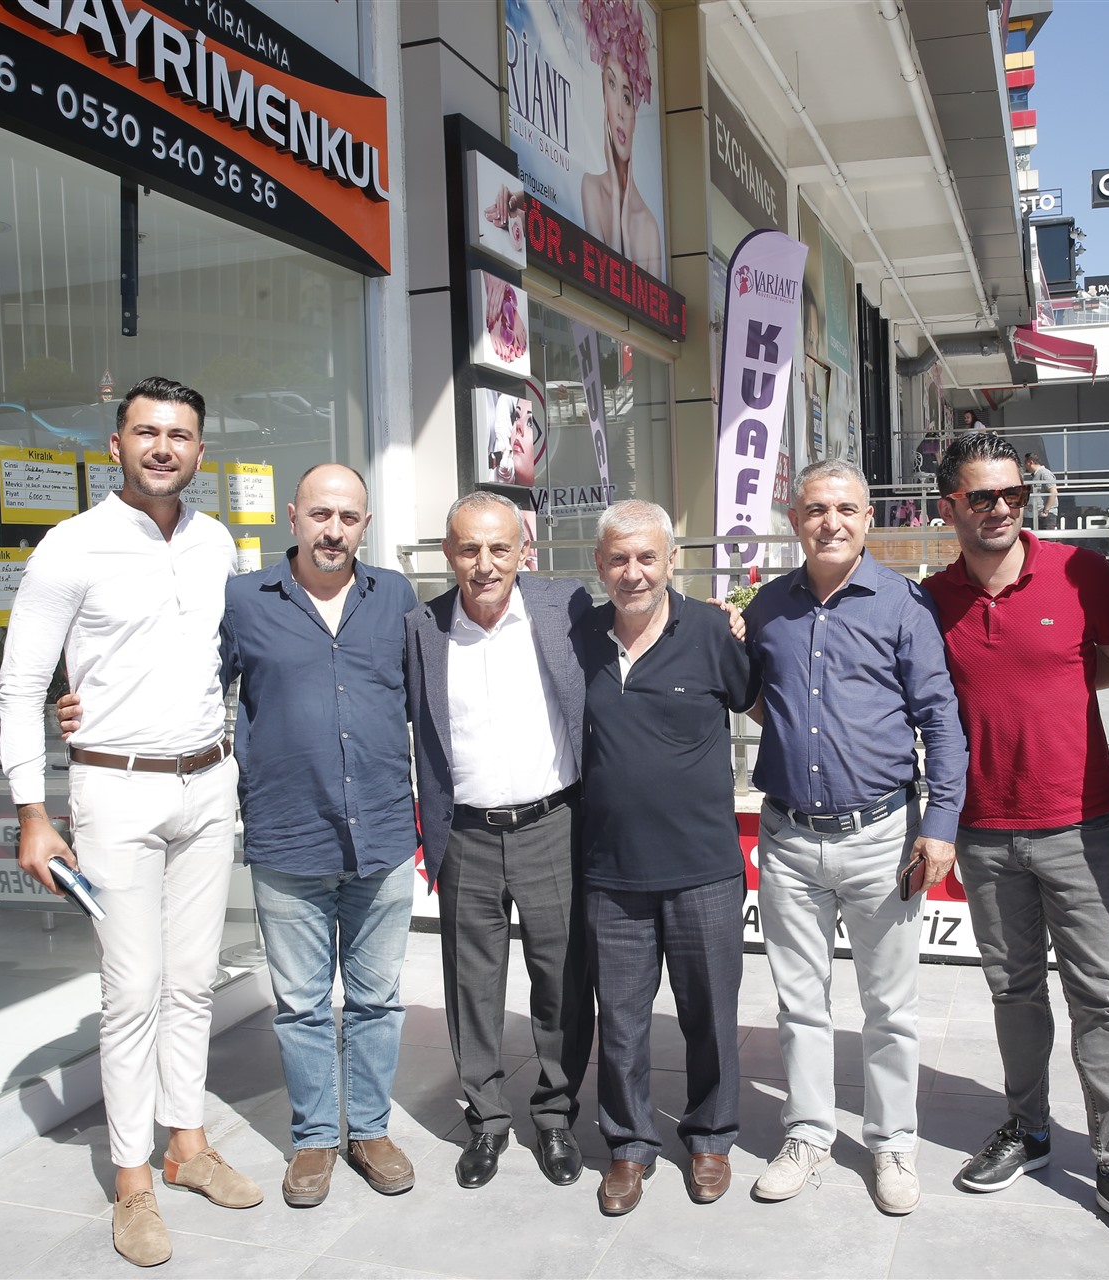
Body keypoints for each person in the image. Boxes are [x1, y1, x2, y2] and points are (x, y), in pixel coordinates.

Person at [56, 464, 423, 1210]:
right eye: (320, 514)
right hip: (289, 834)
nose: (333, 531)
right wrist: (82, 705)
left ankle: (370, 1131)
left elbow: (431, 692)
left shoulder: (395, 597)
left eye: (348, 517)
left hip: (382, 830)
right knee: (302, 1004)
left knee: (378, 999)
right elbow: (184, 684)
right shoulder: (246, 600)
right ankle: (315, 1137)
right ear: (293, 516)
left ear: (365, 523)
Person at [0, 376, 258, 1268]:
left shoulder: (216, 542)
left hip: (207, 784)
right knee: (133, 989)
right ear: (115, 446)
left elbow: (223, 659)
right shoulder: (69, 547)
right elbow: (20, 687)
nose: (162, 448)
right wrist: (32, 811)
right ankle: (133, 1179)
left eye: (179, 435)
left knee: (192, 979)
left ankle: (188, 1146)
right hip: (115, 792)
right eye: (146, 432)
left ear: (199, 451)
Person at [921, 431, 1109, 1254]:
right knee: (1015, 992)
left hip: (1079, 824)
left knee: (1102, 996)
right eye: (982, 496)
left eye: (1014, 494)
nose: (1001, 509)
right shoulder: (931, 599)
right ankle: (1027, 1129)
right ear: (949, 507)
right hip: (984, 832)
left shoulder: (1080, 572)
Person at [743, 459, 969, 1216]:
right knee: (799, 1003)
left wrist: (940, 825)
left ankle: (892, 1141)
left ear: (869, 519)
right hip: (789, 839)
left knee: (890, 1007)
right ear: (794, 520)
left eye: (845, 509)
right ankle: (807, 1132)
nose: (830, 522)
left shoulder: (903, 604)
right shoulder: (768, 606)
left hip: (883, 837)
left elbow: (940, 719)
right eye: (815, 509)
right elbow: (758, 696)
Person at [404, 491, 593, 1191]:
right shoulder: (421, 628)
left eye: (499, 548)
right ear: (448, 553)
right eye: (469, 549)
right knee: (471, 984)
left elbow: (642, 624)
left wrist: (722, 618)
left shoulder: (565, 607)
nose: (484, 564)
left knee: (563, 981)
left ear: (523, 552)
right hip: (467, 833)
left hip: (553, 824)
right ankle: (485, 1118)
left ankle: (555, 1114)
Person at [574, 501, 754, 1216]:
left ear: (672, 560)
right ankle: (627, 1146)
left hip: (703, 867)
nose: (633, 573)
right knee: (620, 1020)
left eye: (647, 557)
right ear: (599, 565)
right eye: (618, 559)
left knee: (710, 1014)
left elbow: (757, 699)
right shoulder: (579, 636)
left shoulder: (709, 630)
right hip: (610, 870)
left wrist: (743, 617)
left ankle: (710, 1137)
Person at [577, 0, 662, 273]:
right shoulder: (591, 188)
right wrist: (616, 203)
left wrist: (624, 219)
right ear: (604, 96)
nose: (619, 112)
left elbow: (617, 292)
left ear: (636, 112)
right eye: (611, 85)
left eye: (627, 97)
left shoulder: (649, 227)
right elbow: (602, 286)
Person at [1024, 452, 1059, 530]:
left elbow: (1053, 492)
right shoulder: (1034, 476)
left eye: (1025, 463)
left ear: (1030, 462)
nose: (1025, 466)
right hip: (1037, 515)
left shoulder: (1044, 473)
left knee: (1046, 537)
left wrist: (1046, 510)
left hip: (1046, 516)